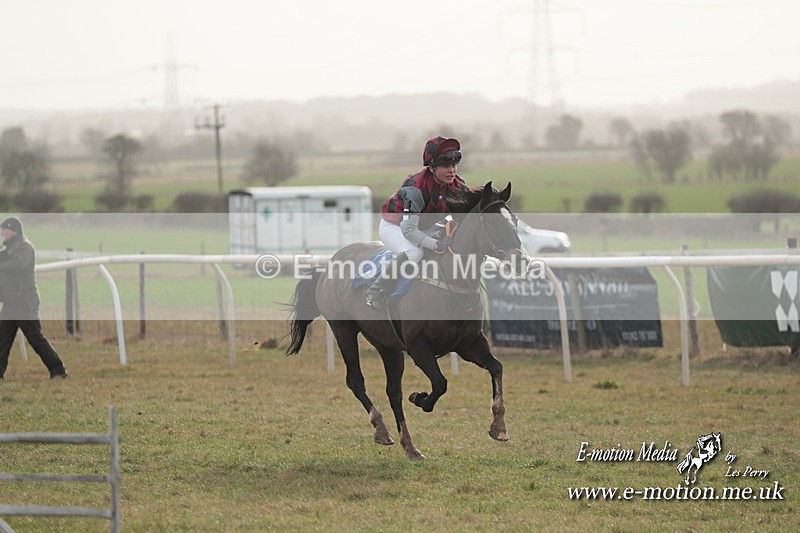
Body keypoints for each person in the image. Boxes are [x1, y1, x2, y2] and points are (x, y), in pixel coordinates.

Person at [366, 136, 468, 309]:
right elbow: (409, 230)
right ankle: (376, 290)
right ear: (432, 167)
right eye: (445, 166)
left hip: (423, 227)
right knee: (414, 253)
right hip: (395, 226)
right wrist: (435, 244)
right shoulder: (416, 187)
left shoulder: (457, 185)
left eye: (454, 165)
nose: (452, 171)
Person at [0, 216, 68, 381]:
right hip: (10, 303)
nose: (2, 233)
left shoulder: (25, 247)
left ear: (13, 230)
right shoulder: (8, 251)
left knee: (35, 338)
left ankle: (58, 370)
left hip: (24, 302)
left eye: (4, 230)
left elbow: (19, 265)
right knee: (2, 340)